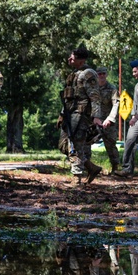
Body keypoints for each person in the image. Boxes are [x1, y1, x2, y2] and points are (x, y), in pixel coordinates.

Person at [60, 45, 104, 185]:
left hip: (81, 115)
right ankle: (91, 168)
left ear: (80, 60)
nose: (69, 60)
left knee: (75, 145)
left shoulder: (88, 74)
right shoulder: (73, 74)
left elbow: (95, 97)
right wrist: (62, 115)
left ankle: (76, 179)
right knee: (63, 145)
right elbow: (68, 97)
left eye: (72, 58)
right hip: (70, 114)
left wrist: (96, 117)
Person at [96, 66, 121, 173]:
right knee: (85, 143)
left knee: (111, 144)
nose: (101, 76)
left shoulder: (112, 89)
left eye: (103, 74)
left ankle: (115, 168)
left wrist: (110, 119)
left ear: (106, 75)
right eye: (99, 74)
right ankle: (86, 166)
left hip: (107, 122)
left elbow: (116, 104)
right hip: (94, 120)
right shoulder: (92, 88)